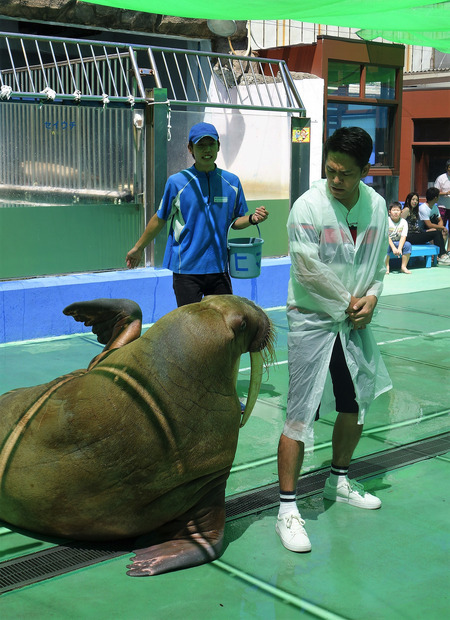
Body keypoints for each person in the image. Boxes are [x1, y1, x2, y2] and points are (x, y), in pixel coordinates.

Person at [276, 126, 392, 554]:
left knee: (355, 402)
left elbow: (377, 265)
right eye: (330, 170)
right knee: (299, 414)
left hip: (354, 321)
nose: (336, 179)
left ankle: (338, 480)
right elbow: (308, 271)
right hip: (314, 320)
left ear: (365, 171)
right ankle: (286, 509)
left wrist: (374, 298)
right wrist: (351, 304)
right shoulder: (308, 207)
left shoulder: (377, 207)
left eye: (346, 173)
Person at [126, 122, 269, 306]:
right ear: (190, 148)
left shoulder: (231, 182)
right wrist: (139, 248)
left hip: (219, 269)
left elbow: (234, 221)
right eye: (200, 145)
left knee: (224, 325)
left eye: (211, 144)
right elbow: (160, 218)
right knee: (190, 329)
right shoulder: (177, 182)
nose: (207, 149)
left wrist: (252, 219)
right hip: (186, 270)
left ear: (218, 145)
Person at [401, 192, 449, 265]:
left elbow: (416, 227)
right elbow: (400, 224)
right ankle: (442, 255)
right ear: (408, 200)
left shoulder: (414, 210)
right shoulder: (407, 209)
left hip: (416, 234)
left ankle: (441, 255)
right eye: (413, 199)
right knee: (436, 233)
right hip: (410, 236)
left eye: (416, 200)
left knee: (435, 232)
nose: (415, 202)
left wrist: (426, 231)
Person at [419, 187, 450, 259]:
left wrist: (441, 228)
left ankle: (441, 253)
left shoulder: (435, 208)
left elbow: (440, 220)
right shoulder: (423, 208)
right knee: (435, 232)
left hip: (430, 229)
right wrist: (441, 227)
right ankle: (438, 255)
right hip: (421, 231)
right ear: (435, 198)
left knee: (444, 232)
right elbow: (429, 225)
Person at [385, 201, 411, 274]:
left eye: (398, 210)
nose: (396, 212)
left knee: (408, 245)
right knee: (385, 245)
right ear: (389, 212)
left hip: (398, 242)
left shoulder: (404, 222)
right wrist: (393, 248)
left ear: (401, 212)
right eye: (394, 210)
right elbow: (386, 236)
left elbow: (403, 236)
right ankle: (386, 267)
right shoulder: (386, 221)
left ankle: (403, 267)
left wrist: (399, 248)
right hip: (388, 241)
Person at [434, 159, 450, 230]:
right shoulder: (441, 178)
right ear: (447, 168)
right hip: (442, 206)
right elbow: (435, 192)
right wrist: (446, 193)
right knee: (441, 227)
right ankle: (441, 241)